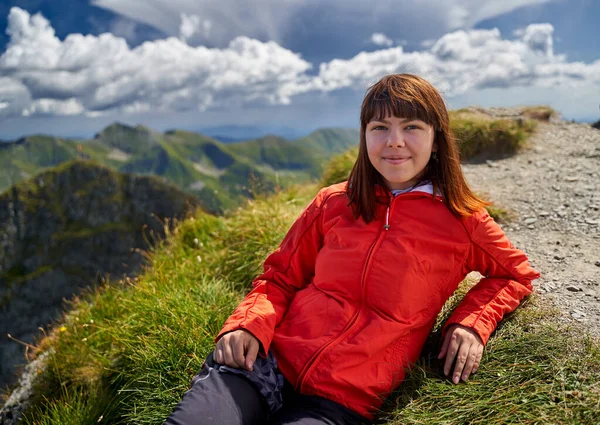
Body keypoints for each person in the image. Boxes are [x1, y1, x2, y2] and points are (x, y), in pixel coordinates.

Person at [164, 73, 540, 425]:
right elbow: (278, 278)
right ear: (364, 137)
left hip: (342, 397)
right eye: (380, 128)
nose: (394, 141)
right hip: (266, 360)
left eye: (411, 127)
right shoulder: (333, 202)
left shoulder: (463, 221)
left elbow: (516, 274)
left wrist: (472, 323)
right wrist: (248, 324)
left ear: (437, 138)